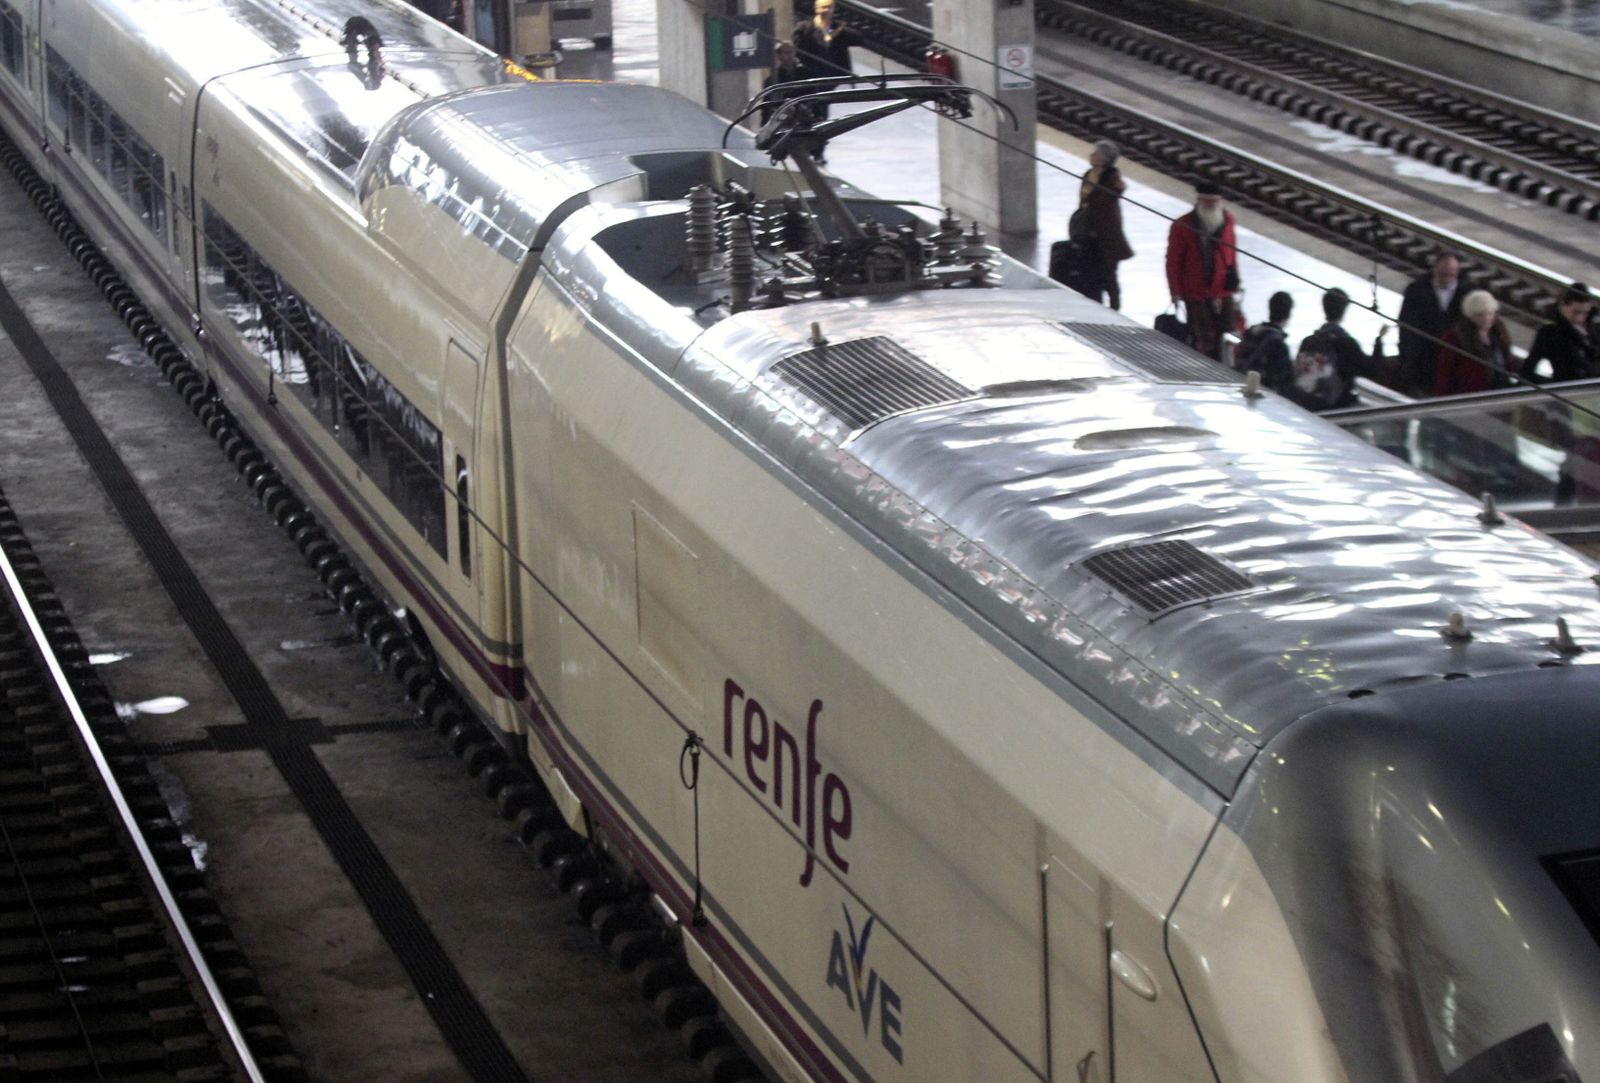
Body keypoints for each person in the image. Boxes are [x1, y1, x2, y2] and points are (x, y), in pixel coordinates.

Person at [1165, 180, 1239, 362]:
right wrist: (1175, 292)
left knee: (1228, 335)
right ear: (1199, 201)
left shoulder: (1228, 221)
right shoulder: (1182, 225)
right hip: (1195, 293)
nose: (1211, 205)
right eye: (1207, 202)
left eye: (1214, 202)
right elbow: (1173, 262)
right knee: (1203, 339)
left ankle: (1226, 367)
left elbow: (1232, 254)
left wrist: (1235, 280)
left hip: (1223, 291)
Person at [1290, 288, 1389, 410]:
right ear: (1344, 311)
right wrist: (1379, 340)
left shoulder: (1308, 341)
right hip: (1335, 408)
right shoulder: (1346, 343)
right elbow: (1372, 369)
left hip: (1305, 404)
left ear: (1324, 308)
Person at [1072, 140, 1134, 310]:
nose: (1091, 156)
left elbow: (1108, 199)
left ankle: (1114, 308)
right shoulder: (1088, 175)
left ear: (1104, 159)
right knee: (1090, 275)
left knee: (1108, 275)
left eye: (1096, 154)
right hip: (1088, 234)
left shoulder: (1112, 179)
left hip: (1107, 237)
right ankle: (1095, 306)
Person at [1397, 251, 1465, 395]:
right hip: (1422, 363)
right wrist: (1407, 360)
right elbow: (1406, 328)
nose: (1447, 278)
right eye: (1443, 274)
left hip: (1456, 363)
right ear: (1434, 269)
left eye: (1451, 274)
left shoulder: (1467, 292)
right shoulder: (1416, 290)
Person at [1435, 290, 1517, 395]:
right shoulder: (1455, 338)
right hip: (1470, 396)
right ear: (1470, 315)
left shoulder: (1499, 333)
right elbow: (1444, 374)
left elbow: (1507, 361)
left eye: (1490, 313)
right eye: (1480, 315)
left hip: (1500, 393)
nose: (1486, 318)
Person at [1524, 282, 1598, 384]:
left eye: (1585, 313)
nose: (1580, 319)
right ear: (1562, 306)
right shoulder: (1550, 333)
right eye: (1575, 313)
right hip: (1570, 387)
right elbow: (1528, 368)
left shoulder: (1593, 329)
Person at [1235, 291, 1294, 393]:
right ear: (1288, 315)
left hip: (1241, 383)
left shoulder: (1250, 333)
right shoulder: (1280, 345)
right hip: (1264, 393)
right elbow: (1284, 380)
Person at [760, 43, 806, 125]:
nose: (790, 55)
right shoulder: (773, 79)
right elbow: (767, 105)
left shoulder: (804, 73)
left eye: (792, 52)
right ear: (779, 56)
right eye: (786, 52)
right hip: (783, 121)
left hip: (803, 117)